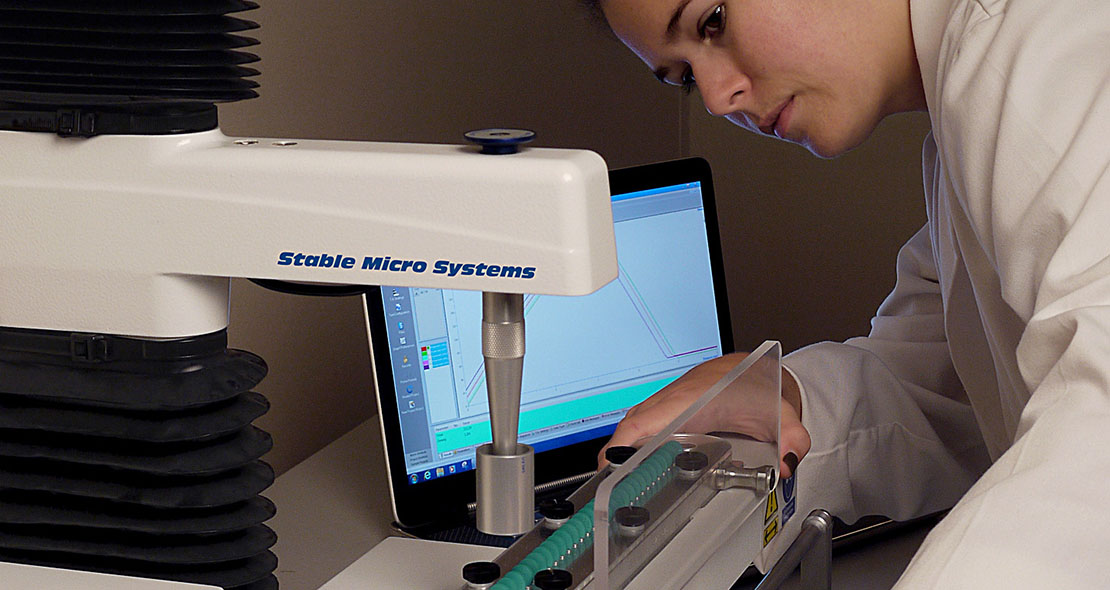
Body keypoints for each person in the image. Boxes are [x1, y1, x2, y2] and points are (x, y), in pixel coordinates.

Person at [588, 0, 1110, 586]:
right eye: (684, 76)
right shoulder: (969, 109)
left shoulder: (1042, 48)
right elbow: (948, 385)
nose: (715, 98)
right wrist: (784, 394)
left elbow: (1098, 435)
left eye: (713, 20)